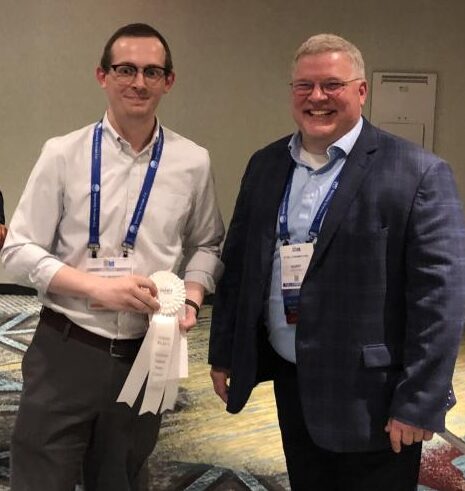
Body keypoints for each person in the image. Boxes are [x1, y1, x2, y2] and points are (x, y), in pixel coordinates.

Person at [208, 33, 465, 490]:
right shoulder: (266, 165)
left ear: (361, 91)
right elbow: (240, 267)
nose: (318, 98)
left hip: (375, 399)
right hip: (293, 381)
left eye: (332, 84)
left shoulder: (418, 172)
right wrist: (226, 353)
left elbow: (440, 301)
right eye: (304, 86)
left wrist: (418, 401)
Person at [2, 23, 224, 491]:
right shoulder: (63, 154)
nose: (138, 82)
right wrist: (98, 288)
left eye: (151, 71)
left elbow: (208, 243)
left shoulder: (192, 162)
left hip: (147, 355)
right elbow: (17, 253)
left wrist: (191, 295)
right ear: (102, 76)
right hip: (66, 348)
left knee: (121, 478)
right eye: (125, 69)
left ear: (169, 80)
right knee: (41, 480)